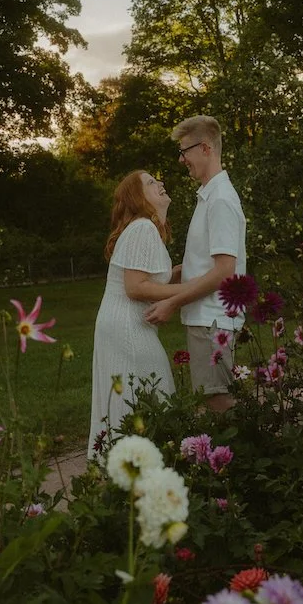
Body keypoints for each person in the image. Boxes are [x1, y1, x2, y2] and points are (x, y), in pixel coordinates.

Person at [145, 116, 246, 413]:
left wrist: (172, 303)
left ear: (204, 148)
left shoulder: (221, 200)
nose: (181, 159)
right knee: (212, 400)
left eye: (184, 151)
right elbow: (208, 264)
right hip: (207, 318)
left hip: (213, 319)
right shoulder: (210, 197)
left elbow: (225, 271)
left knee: (219, 403)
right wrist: (173, 274)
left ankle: (241, 458)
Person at [88, 169, 184, 458]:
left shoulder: (144, 229)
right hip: (126, 326)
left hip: (120, 324)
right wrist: (189, 289)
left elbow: (153, 280)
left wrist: (188, 273)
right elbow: (135, 286)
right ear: (138, 197)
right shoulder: (143, 228)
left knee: (135, 392)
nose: (161, 183)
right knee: (149, 389)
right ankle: (137, 464)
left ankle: (124, 466)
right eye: (151, 183)